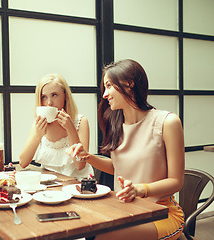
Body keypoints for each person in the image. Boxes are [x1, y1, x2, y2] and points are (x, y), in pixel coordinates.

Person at [67, 59, 185, 240]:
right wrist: (88, 157)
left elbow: (176, 181)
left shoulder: (167, 122)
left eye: (109, 86)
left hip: (162, 212)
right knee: (82, 225)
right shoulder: (116, 125)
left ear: (130, 84)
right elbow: (117, 168)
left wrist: (139, 189)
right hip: (126, 209)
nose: (105, 94)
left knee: (99, 236)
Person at [19, 73, 94, 179]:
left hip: (78, 185)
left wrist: (70, 128)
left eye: (54, 95)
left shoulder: (81, 121)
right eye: (44, 97)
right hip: (51, 187)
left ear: (65, 96)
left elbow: (80, 165)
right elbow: (23, 162)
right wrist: (38, 135)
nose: (49, 102)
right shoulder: (39, 123)